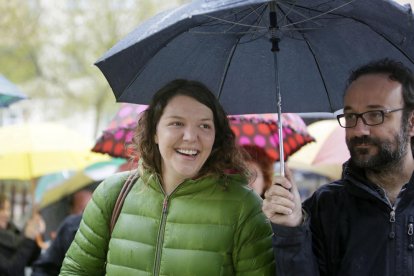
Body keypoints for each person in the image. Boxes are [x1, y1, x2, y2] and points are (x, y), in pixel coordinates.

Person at [60, 79, 275, 275]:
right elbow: (77, 270)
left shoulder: (244, 207)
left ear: (216, 136)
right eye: (177, 123)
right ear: (154, 132)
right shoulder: (113, 193)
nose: (191, 137)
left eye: (204, 125)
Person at [262, 58, 414, 275]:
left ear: (411, 123)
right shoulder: (325, 207)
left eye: (375, 114)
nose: (359, 129)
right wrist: (291, 231)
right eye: (351, 116)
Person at [31, 186, 95, 276]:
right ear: (71, 210)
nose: (88, 213)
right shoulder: (69, 227)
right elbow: (44, 268)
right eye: (83, 209)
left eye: (92, 207)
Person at [0, 193, 45, 275]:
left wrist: (36, 235)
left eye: (8, 209)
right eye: (1, 209)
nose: (6, 214)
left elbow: (31, 260)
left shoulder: (14, 231)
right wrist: (28, 240)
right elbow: (10, 270)